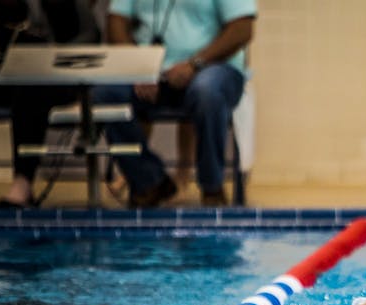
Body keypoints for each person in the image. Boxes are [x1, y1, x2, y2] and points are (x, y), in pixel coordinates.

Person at [92, 0, 255, 207]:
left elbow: (242, 29)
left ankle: (212, 186)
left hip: (212, 67)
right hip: (150, 74)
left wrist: (194, 64)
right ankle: (150, 181)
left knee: (207, 91)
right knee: (105, 93)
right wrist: (138, 66)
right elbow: (116, 21)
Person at [0, 0, 101, 208]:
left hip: (51, 73)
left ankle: (22, 182)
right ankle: (22, 182)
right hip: (2, 73)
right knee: (26, 81)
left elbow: (91, 34)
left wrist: (56, 53)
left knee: (34, 84)